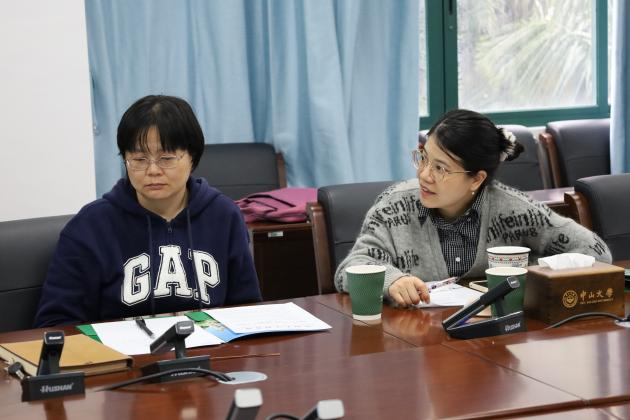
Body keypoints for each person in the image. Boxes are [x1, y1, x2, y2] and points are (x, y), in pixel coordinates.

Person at [335, 109, 612, 307]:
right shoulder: (395, 206)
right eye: (424, 159)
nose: (424, 175)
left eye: (440, 168)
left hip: (498, 339)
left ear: (476, 179)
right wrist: (392, 281)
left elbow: (596, 251)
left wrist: (529, 275)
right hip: (415, 343)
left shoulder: (514, 209)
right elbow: (350, 267)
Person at [34, 95, 261, 326]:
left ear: (192, 158)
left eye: (166, 158)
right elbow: (56, 322)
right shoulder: (91, 225)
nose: (152, 170)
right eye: (139, 159)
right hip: (122, 348)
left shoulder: (224, 216)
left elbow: (247, 310)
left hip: (210, 347)